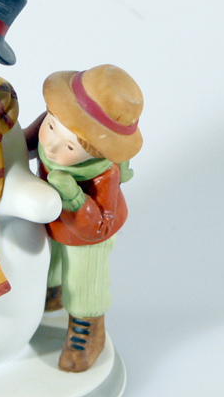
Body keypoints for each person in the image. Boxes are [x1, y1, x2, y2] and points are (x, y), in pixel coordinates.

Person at [29, 65, 143, 372]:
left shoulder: (105, 176)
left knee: (84, 277)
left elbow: (98, 227)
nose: (51, 144)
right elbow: (27, 142)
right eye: (51, 126)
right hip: (49, 218)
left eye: (70, 146)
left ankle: (87, 327)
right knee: (47, 257)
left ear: (98, 152)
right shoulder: (53, 129)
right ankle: (51, 293)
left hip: (86, 236)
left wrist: (74, 198)